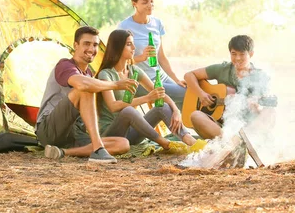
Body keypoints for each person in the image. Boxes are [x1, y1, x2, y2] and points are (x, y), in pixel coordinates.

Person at [76, 29, 205, 153]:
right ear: (118, 47)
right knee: (128, 111)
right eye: (129, 44)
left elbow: (159, 92)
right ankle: (164, 143)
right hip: (111, 134)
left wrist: (176, 111)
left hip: (132, 133)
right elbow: (113, 106)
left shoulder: (134, 70)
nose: (134, 48)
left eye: (133, 44)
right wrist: (147, 98)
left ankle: (190, 141)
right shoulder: (106, 74)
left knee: (162, 106)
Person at [35, 26, 136, 163]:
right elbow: (83, 85)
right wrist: (117, 84)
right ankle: (98, 150)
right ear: (75, 45)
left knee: (123, 143)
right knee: (86, 88)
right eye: (86, 44)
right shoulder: (65, 65)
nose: (91, 49)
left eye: (95, 45)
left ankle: (62, 152)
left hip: (73, 134)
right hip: (49, 130)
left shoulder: (88, 74)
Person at [183, 35, 272, 140]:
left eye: (242, 54)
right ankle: (232, 142)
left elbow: (260, 108)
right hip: (220, 127)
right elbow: (189, 75)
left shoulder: (259, 77)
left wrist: (255, 106)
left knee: (270, 112)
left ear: (251, 54)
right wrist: (201, 94)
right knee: (195, 116)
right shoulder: (222, 69)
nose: (237, 58)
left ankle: (245, 142)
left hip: (247, 127)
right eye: (234, 54)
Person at [118, 0, 187, 110]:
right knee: (184, 94)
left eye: (152, 1)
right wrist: (141, 57)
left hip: (161, 76)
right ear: (134, 3)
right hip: (142, 81)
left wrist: (176, 79)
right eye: (145, 2)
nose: (150, 5)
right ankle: (182, 128)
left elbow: (161, 57)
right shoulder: (124, 27)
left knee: (186, 95)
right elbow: (119, 61)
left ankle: (193, 127)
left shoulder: (157, 23)